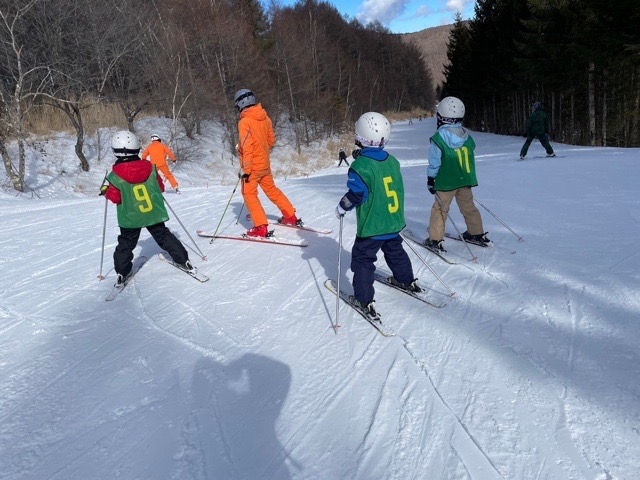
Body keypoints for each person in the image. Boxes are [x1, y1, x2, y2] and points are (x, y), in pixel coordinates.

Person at [335, 112, 420, 319]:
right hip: (393, 221)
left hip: (373, 226)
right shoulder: (392, 161)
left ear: (359, 137)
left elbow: (357, 193)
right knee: (395, 251)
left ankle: (364, 300)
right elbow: (380, 175)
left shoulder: (360, 167)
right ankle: (406, 279)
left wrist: (342, 207)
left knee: (363, 259)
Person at [101, 130, 194, 286]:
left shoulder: (114, 176)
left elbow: (115, 197)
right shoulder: (151, 168)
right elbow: (160, 188)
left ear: (116, 151)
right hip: (153, 213)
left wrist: (105, 189)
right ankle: (183, 260)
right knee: (163, 235)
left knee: (126, 243)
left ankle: (122, 273)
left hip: (130, 217)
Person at [425, 96, 488, 252]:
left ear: (442, 117)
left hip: (446, 182)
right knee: (469, 207)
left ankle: (435, 239)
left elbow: (435, 162)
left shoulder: (439, 139)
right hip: (465, 179)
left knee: (440, 210)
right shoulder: (467, 137)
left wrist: (431, 178)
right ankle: (476, 232)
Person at [234, 88, 299, 238]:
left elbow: (248, 147)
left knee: (249, 193)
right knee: (272, 190)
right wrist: (259, 151)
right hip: (264, 165)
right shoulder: (265, 118)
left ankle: (260, 226)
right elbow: (270, 141)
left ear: (241, 104)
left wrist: (246, 169)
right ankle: (290, 216)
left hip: (252, 167)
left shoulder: (245, 122)